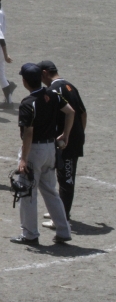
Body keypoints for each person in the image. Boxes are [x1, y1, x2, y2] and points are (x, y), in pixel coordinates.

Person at [11, 63, 74, 245]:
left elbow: (28, 132)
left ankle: (30, 234)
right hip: (50, 150)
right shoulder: (53, 94)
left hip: (34, 151)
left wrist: (24, 159)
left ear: (24, 81)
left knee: (27, 193)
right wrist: (66, 134)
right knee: (51, 192)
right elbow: (70, 112)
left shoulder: (28, 103)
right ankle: (63, 230)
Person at [38, 60, 87, 229]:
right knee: (62, 176)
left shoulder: (53, 90)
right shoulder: (70, 86)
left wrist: (68, 135)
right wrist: (79, 134)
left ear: (45, 73)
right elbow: (83, 113)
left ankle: (62, 217)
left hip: (65, 142)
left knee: (66, 178)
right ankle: (58, 210)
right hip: (72, 139)